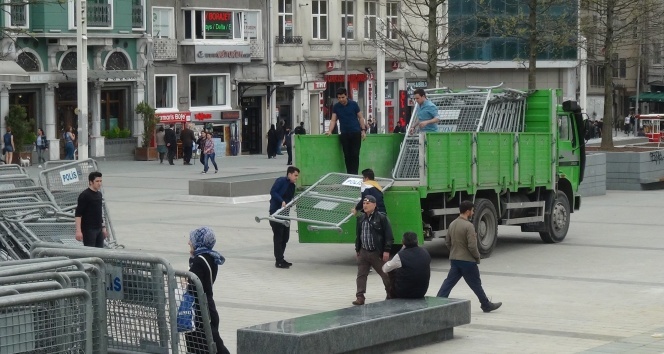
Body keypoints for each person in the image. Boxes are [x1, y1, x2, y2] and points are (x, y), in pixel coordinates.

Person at [436, 200, 502, 313]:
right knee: (476, 284)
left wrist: (454, 251)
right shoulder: (469, 226)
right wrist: (477, 257)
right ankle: (486, 305)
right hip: (467, 261)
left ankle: (438, 302)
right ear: (467, 211)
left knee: (448, 283)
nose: (473, 212)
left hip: (455, 260)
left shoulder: (452, 224)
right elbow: (472, 246)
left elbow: (447, 242)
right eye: (472, 210)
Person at [185, 226, 231, 354]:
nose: (189, 242)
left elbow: (194, 285)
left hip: (200, 313)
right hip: (208, 308)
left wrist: (186, 280)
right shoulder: (211, 257)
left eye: (191, 240)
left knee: (214, 347)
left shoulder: (200, 261)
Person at [353, 195, 393, 305]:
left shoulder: (381, 218)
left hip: (376, 252)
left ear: (374, 205)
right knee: (361, 275)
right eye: (364, 203)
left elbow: (388, 235)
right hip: (364, 251)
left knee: (385, 274)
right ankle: (360, 297)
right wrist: (358, 249)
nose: (365, 205)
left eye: (368, 203)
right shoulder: (361, 218)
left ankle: (391, 294)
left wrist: (386, 250)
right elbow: (358, 235)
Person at [326, 87, 367, 175]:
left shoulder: (354, 104)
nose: (341, 99)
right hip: (344, 133)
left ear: (346, 96)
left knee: (355, 155)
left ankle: (355, 174)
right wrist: (329, 130)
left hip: (355, 132)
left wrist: (363, 130)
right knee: (347, 155)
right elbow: (333, 120)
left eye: (342, 97)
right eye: (339, 98)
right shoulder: (336, 107)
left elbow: (360, 117)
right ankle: (349, 175)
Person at [382, 231, 431, 299]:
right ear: (417, 241)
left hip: (404, 293)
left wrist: (401, 251)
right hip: (422, 291)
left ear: (403, 242)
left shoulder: (401, 255)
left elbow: (385, 269)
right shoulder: (425, 252)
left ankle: (391, 298)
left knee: (392, 270)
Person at [268, 166, 300, 269]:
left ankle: (281, 258)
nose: (296, 178)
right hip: (276, 213)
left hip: (285, 214)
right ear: (289, 174)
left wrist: (293, 202)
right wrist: (281, 200)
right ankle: (279, 261)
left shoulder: (292, 186)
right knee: (278, 237)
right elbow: (273, 192)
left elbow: (289, 200)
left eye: (297, 176)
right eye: (295, 175)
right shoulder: (281, 181)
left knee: (285, 237)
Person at [75, 171, 107, 248]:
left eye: (100, 181)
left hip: (98, 228)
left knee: (100, 251)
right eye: (97, 181)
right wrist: (78, 231)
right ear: (91, 182)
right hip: (89, 229)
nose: (99, 183)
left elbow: (100, 212)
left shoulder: (99, 194)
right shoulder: (85, 195)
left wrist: (103, 228)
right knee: (90, 251)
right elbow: (78, 214)